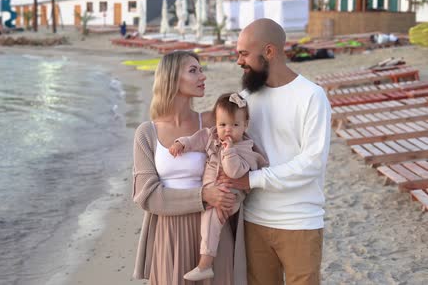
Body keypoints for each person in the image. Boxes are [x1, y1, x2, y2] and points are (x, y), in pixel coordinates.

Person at [228, 18, 331, 285]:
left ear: (270, 52)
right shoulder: (246, 98)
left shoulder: (311, 95)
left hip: (299, 222)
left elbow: (312, 163)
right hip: (253, 220)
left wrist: (252, 180)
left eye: (244, 53)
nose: (238, 61)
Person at [132, 51, 245, 284]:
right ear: (172, 78)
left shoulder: (213, 122)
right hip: (169, 233)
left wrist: (232, 194)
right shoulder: (147, 133)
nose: (202, 76)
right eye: (193, 70)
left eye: (201, 69)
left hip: (213, 231)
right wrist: (203, 195)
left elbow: (244, 157)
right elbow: (148, 196)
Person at [168, 92, 268, 281]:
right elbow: (195, 139)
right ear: (216, 123)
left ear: (245, 125)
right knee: (207, 222)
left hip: (230, 195)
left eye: (235, 125)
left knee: (211, 220)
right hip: (213, 190)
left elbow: (235, 172)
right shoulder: (212, 135)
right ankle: (205, 262)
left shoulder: (245, 148)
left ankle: (205, 264)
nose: (227, 130)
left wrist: (229, 151)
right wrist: (182, 143)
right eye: (223, 124)